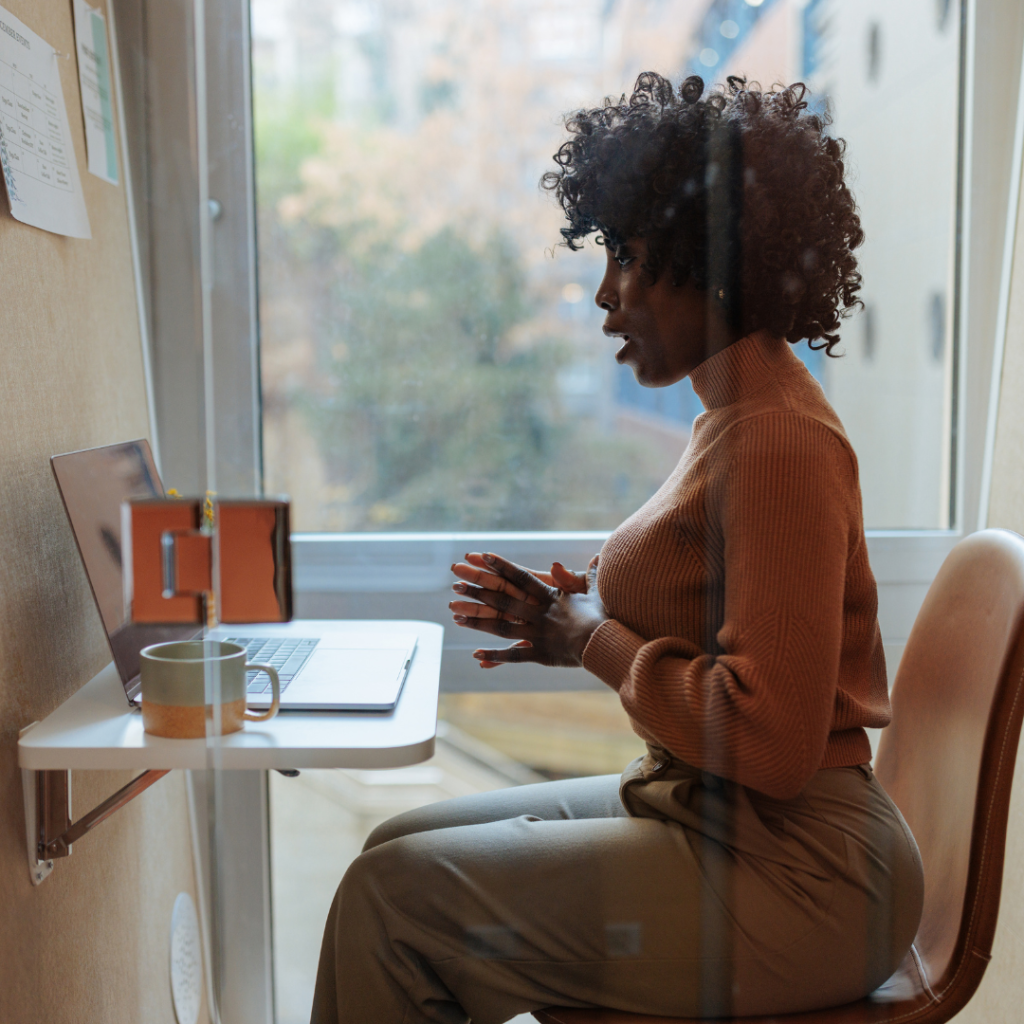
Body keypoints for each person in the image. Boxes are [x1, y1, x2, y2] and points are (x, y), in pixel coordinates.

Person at [310, 73, 924, 1024]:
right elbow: (725, 618)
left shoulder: (776, 440)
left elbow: (771, 739)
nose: (604, 297)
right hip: (714, 817)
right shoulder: (737, 418)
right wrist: (583, 612)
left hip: (807, 875)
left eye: (630, 257)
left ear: (711, 261)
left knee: (395, 904)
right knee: (393, 847)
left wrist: (590, 639)